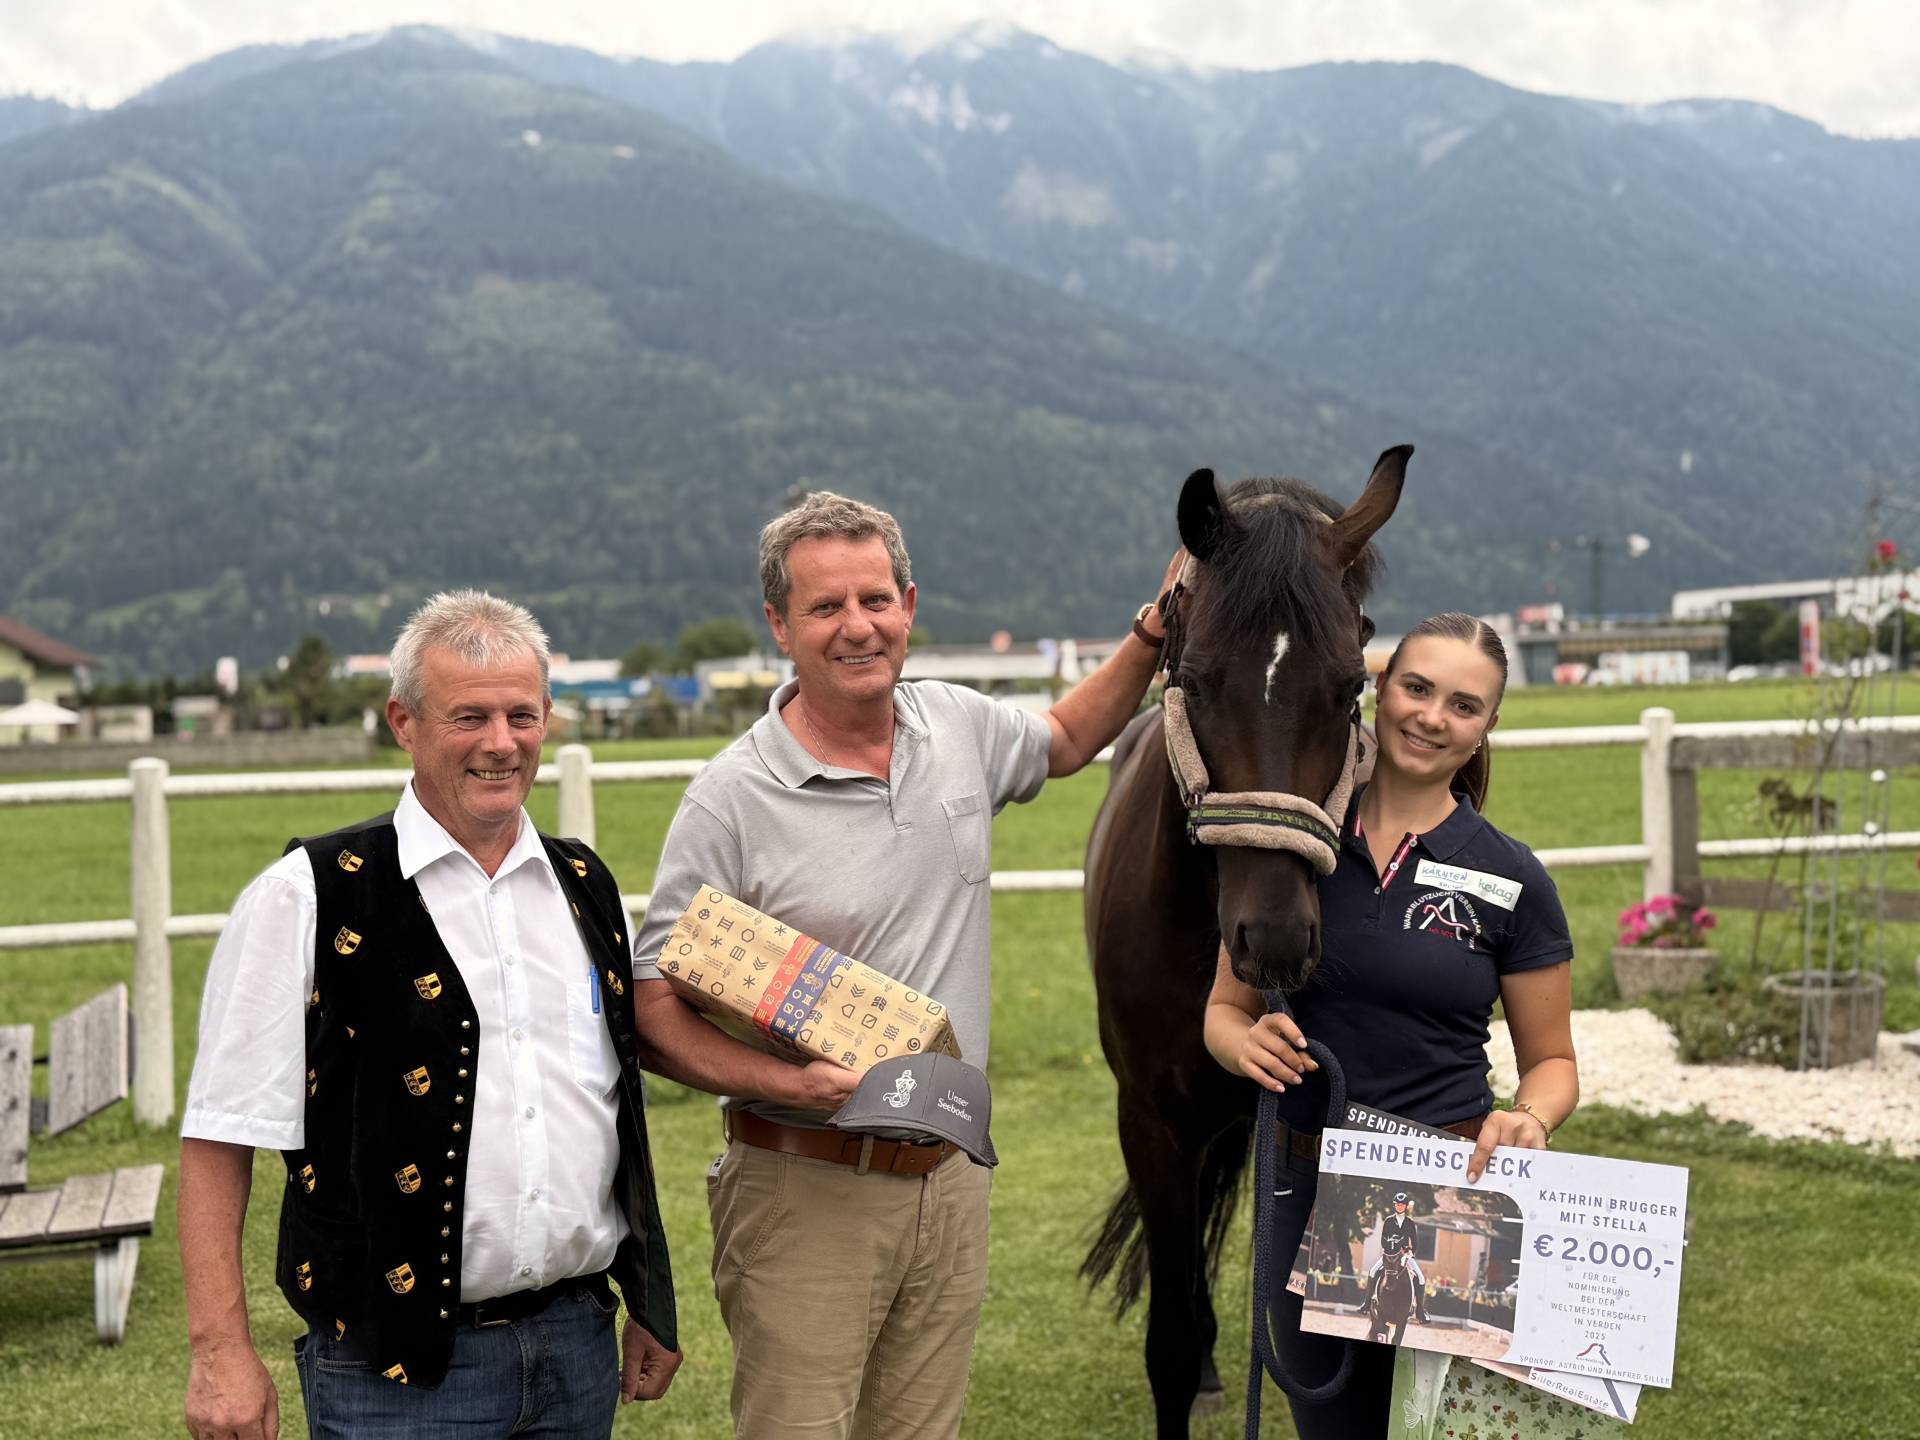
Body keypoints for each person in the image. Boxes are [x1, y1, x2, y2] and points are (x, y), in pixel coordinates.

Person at [628, 490, 1181, 1439]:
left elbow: (1067, 740)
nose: (857, 627)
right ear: (779, 625)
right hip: (804, 1186)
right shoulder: (731, 799)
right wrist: (787, 1084)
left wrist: (1153, 630)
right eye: (825, 607)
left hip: (950, 1179)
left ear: (910, 605)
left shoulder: (955, 727)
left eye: (876, 600)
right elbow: (650, 1006)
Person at [179, 592, 680, 1440]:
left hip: (576, 1343)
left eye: (522, 714)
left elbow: (612, 1108)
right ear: (403, 722)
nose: (501, 742)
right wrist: (220, 1349)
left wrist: (648, 1297)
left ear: (548, 719)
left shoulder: (585, 886)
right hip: (392, 1371)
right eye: (469, 716)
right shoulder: (307, 893)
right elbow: (220, 1134)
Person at [1203, 611, 1579, 1438]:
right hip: (1302, 1184)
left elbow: (1552, 1061)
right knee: (1330, 1424)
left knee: (1433, 1429)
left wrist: (1530, 1115)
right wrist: (1242, 1045)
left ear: (1487, 727)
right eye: (1416, 687)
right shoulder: (1294, 846)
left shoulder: (1512, 877)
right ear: (1377, 688)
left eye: (1463, 704)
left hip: (1453, 1197)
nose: (1432, 716)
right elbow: (1224, 1012)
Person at [1365, 1192, 1430, 1324]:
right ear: (1395, 1205)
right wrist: (1388, 1249)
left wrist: (1410, 1253)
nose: (1400, 1207)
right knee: (1372, 1271)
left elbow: (1415, 1242)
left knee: (1421, 1278)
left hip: (1404, 1255)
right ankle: (1366, 1304)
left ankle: (1420, 1311)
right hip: (1389, 1255)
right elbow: (1383, 1240)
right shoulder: (1389, 1221)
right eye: (1398, 1204)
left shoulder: (1410, 1222)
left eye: (1402, 1205)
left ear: (1405, 1206)